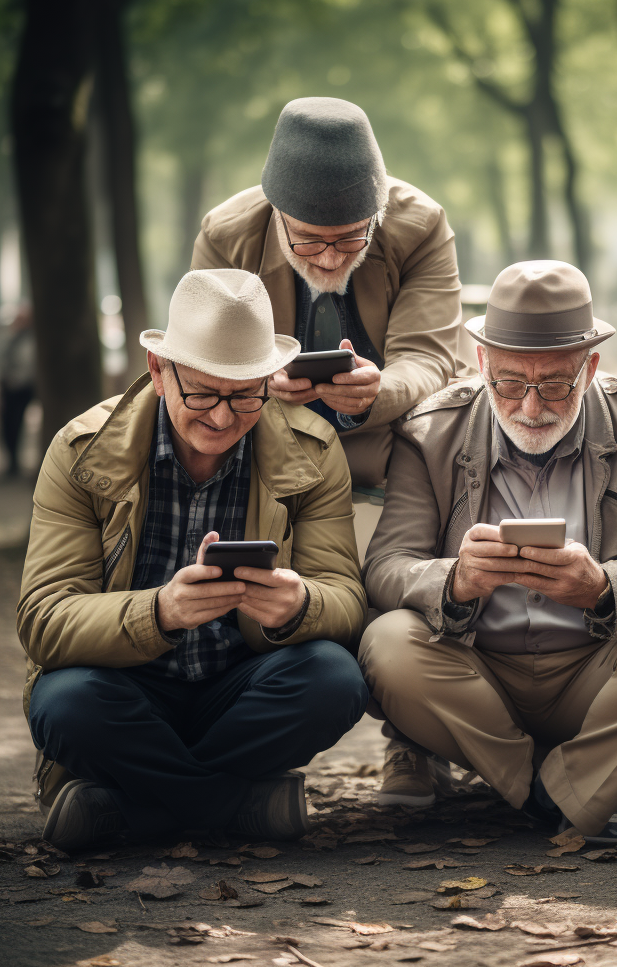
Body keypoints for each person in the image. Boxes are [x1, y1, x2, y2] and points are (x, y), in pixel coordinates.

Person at [359, 260, 617, 839]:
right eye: (510, 383)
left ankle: (552, 789)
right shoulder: (430, 430)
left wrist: (605, 587)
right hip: (477, 674)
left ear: (590, 367)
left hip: (600, 673)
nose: (531, 408)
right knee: (387, 643)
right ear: (482, 363)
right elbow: (386, 567)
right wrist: (455, 581)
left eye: (556, 384)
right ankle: (559, 791)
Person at [19, 268, 368, 851]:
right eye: (202, 393)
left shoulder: (313, 449)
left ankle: (131, 808)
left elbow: (346, 599)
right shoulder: (80, 450)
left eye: (243, 394)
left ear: (265, 379)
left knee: (334, 678)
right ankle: (233, 804)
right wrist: (160, 613)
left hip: (241, 690)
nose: (223, 417)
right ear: (159, 372)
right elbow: (45, 621)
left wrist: (298, 605)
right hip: (125, 689)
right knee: (64, 703)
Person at [191, 96, 465, 491]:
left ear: (377, 215)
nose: (331, 259)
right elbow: (203, 363)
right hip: (258, 444)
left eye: (351, 238)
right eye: (308, 240)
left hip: (397, 441)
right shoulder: (226, 237)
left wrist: (377, 390)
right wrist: (260, 379)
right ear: (276, 213)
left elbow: (426, 356)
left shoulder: (421, 227)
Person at [0, 303, 35, 476]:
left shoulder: (35, 337)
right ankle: (13, 461)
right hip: (12, 386)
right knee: (11, 424)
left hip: (29, 385)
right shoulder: (10, 336)